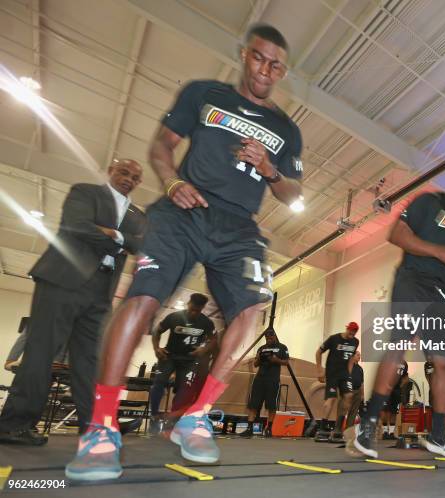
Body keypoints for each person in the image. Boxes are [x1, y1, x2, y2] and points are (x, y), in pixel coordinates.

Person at [65, 23, 303, 481]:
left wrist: (271, 169)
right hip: (184, 208)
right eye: (258, 58)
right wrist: (172, 181)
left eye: (276, 65)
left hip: (239, 227)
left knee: (255, 309)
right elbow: (162, 145)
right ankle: (102, 426)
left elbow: (292, 196)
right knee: (143, 299)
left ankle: (196, 416)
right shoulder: (203, 93)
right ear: (244, 54)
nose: (265, 70)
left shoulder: (286, 130)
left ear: (283, 70)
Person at [0, 160, 145, 446]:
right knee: (42, 351)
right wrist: (123, 241)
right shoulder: (85, 192)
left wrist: (111, 234)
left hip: (102, 291)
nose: (129, 179)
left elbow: (142, 244)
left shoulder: (138, 214)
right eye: (124, 172)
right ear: (111, 171)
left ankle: (97, 425)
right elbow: (76, 226)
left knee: (91, 361)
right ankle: (13, 424)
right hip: (62, 279)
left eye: (135, 177)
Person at [350, 165, 445, 459]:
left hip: (443, 290)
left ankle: (438, 436)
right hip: (412, 280)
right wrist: (439, 251)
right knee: (398, 347)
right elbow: (396, 234)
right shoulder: (429, 202)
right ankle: (368, 424)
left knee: (444, 362)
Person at [149, 293, 216, 430]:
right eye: (192, 309)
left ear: (202, 308)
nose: (193, 312)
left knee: (184, 390)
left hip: (190, 360)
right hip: (169, 356)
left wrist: (203, 350)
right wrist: (157, 348)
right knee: (159, 382)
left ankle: (173, 419)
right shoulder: (174, 317)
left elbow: (214, 339)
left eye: (197, 311)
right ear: (188, 304)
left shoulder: (206, 323)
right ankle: (154, 416)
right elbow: (157, 331)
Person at [315, 322, 359, 442]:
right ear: (347, 329)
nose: (352, 333)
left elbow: (350, 359)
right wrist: (319, 369)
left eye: (354, 331)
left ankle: (338, 428)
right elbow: (318, 352)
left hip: (344, 375)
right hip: (332, 374)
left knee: (349, 396)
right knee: (331, 399)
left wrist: (349, 375)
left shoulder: (355, 342)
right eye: (351, 330)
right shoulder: (334, 339)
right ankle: (322, 428)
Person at [240, 329, 289, 438]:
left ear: (275, 336)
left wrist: (275, 360)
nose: (268, 339)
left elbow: (286, 362)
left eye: (270, 337)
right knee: (253, 404)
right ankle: (249, 428)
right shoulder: (262, 348)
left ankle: (269, 429)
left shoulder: (282, 347)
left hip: (273, 380)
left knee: (271, 405)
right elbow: (255, 364)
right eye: (267, 338)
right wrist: (259, 359)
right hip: (260, 379)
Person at [380, 360, 409, 439]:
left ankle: (391, 432)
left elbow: (405, 377)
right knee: (385, 410)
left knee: (393, 411)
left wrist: (401, 386)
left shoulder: (404, 363)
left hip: (396, 390)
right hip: (386, 389)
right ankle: (385, 432)